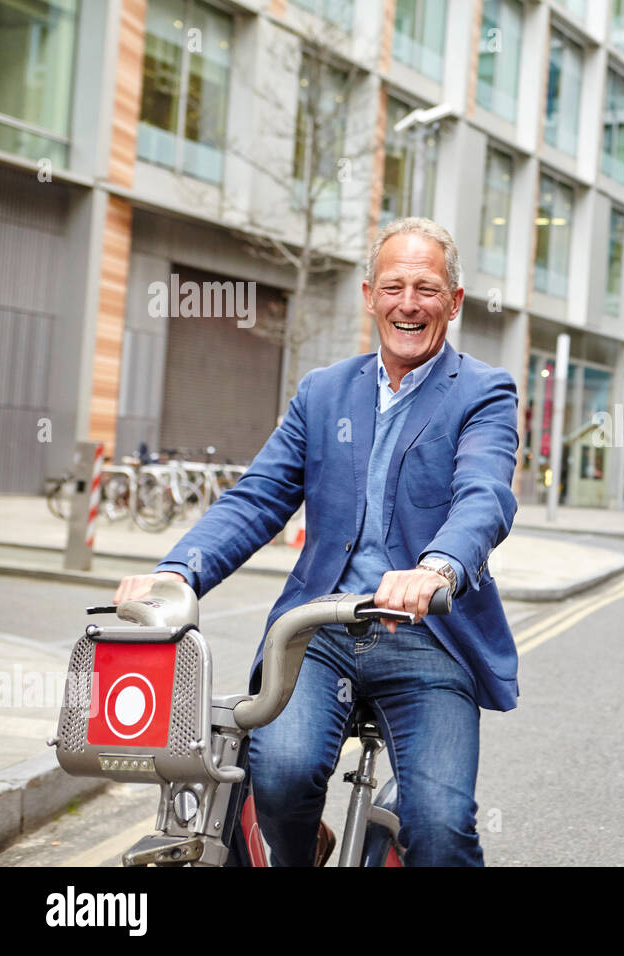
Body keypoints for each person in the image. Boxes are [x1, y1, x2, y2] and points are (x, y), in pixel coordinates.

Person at [113, 218, 520, 867]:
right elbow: (258, 497)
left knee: (440, 826)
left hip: (427, 639)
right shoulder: (324, 390)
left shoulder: (482, 392)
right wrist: (177, 574)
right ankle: (303, 850)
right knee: (278, 776)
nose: (408, 304)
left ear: (455, 300)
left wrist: (438, 568)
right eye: (393, 287)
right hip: (317, 633)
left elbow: (485, 492)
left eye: (426, 288)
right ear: (368, 295)